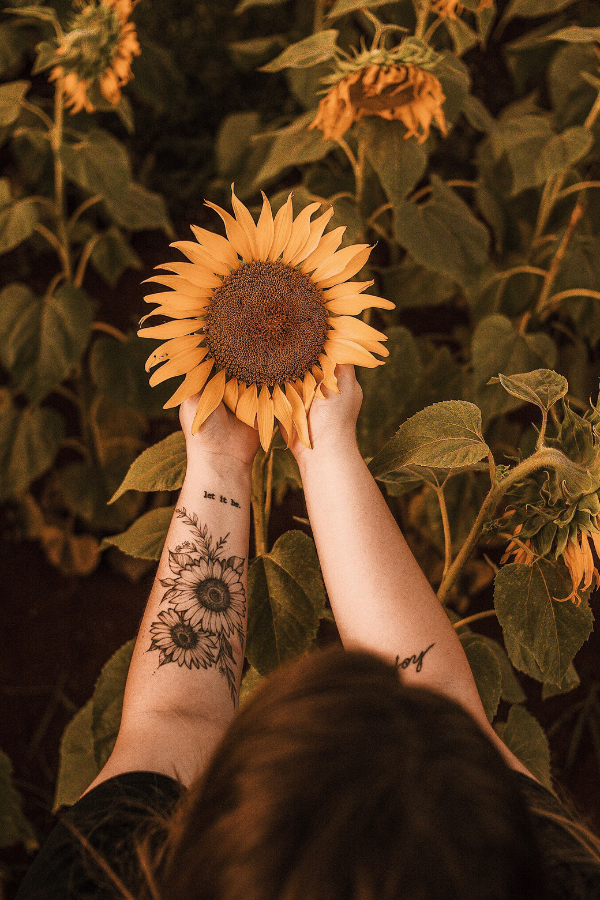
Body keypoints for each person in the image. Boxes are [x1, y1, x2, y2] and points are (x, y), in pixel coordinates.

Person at [15, 365, 600, 900]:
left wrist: (217, 462)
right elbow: (439, 691)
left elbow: (176, 717)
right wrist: (324, 448)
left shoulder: (99, 875)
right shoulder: (553, 875)